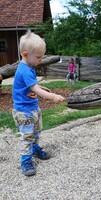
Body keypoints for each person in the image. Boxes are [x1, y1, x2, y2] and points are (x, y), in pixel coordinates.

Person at [12, 31, 65, 176]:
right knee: (27, 135)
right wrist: (52, 96)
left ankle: (34, 148)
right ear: (25, 54)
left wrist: (42, 89)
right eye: (38, 57)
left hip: (32, 107)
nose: (41, 60)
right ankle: (25, 161)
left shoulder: (29, 68)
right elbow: (35, 88)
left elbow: (33, 87)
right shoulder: (25, 71)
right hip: (24, 111)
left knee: (36, 132)